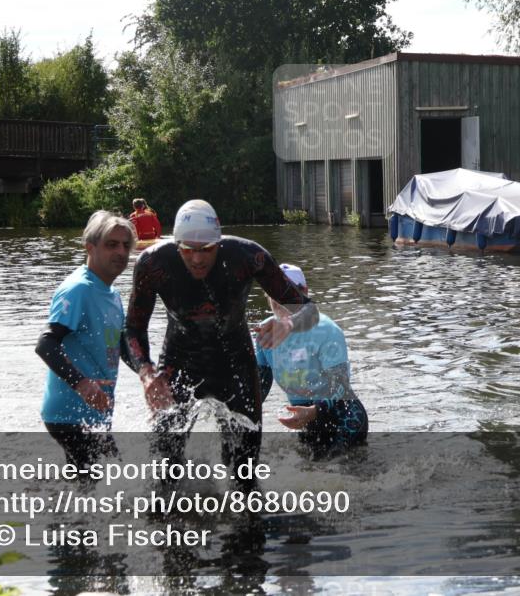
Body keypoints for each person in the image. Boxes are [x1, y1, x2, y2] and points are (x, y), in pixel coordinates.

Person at [125, 199, 319, 484]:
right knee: (165, 469)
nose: (198, 259)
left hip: (234, 366)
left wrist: (288, 324)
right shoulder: (153, 263)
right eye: (188, 250)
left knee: (244, 473)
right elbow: (131, 330)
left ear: (219, 242)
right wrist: (146, 373)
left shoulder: (247, 256)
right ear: (176, 244)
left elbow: (309, 310)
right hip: (178, 367)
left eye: (206, 250)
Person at [36, 210, 135, 469]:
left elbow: (121, 347)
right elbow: (45, 343)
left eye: (126, 245)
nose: (121, 252)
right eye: (111, 245)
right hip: (70, 413)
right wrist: (81, 384)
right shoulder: (79, 288)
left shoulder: (112, 294)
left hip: (95, 411)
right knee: (101, 484)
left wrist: (150, 374)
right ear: (90, 248)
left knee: (99, 483)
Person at [255, 264, 368, 458]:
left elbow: (340, 386)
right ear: (267, 296)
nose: (281, 298)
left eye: (290, 291)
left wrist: (313, 412)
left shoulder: (326, 330)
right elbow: (258, 390)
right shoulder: (265, 333)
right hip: (307, 424)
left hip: (345, 420)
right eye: (275, 292)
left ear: (304, 292)